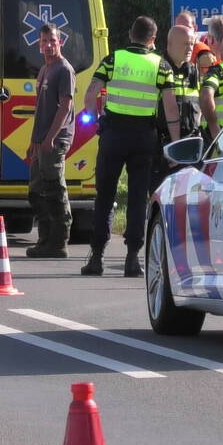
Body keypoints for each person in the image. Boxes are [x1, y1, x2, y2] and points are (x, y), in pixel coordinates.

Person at [81, 16, 180, 277]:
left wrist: (93, 121)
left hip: (113, 133)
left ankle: (97, 257)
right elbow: (170, 107)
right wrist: (175, 142)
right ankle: (132, 258)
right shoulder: (161, 66)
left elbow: (91, 94)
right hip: (143, 137)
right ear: (153, 39)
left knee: (105, 195)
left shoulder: (113, 60)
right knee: (137, 198)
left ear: (129, 34)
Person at [26, 23, 76, 258]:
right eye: (44, 41)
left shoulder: (64, 69)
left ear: (60, 42)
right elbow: (40, 109)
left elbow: (65, 106)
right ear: (39, 44)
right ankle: (44, 240)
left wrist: (51, 138)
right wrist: (34, 141)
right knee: (37, 191)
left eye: (52, 41)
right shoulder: (45, 69)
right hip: (41, 140)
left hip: (55, 140)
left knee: (55, 189)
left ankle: (59, 243)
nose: (48, 46)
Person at [152, 25, 202, 189]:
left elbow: (198, 105)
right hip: (163, 148)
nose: (189, 48)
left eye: (191, 44)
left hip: (190, 146)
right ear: (170, 44)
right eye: (185, 44)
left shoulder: (193, 71)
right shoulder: (158, 69)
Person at [175, 9, 215, 75]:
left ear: (195, 28)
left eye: (187, 27)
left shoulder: (204, 54)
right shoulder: (174, 51)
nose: (183, 31)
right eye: (178, 28)